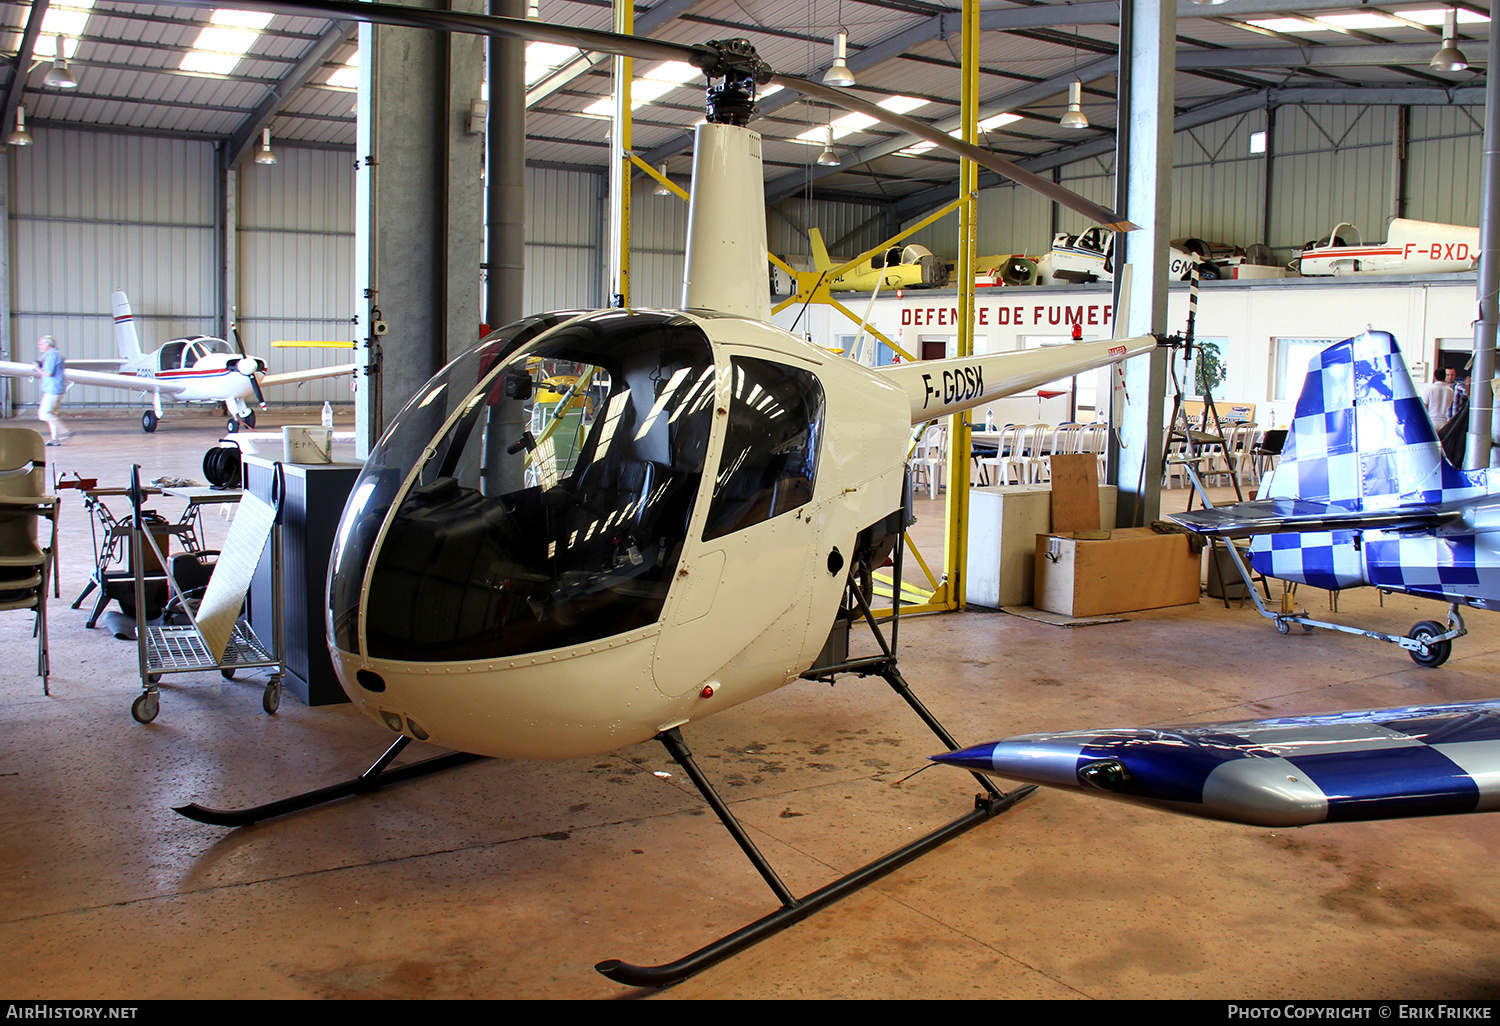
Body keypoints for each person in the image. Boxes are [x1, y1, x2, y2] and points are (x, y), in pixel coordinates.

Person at [34, 335, 70, 445]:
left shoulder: (51, 355)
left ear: (46, 344)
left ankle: (64, 431)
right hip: (56, 388)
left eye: (41, 344)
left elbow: (48, 373)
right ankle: (55, 439)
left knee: (44, 413)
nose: (39, 346)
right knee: (51, 414)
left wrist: (37, 369)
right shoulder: (54, 354)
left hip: (52, 389)